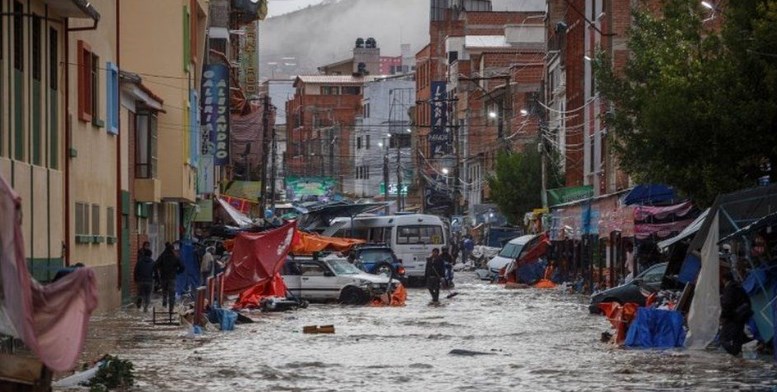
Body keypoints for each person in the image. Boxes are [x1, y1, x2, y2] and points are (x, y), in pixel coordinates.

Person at [719, 267, 752, 356]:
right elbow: (747, 301)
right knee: (738, 337)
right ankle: (738, 354)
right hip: (742, 316)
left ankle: (734, 353)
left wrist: (723, 316)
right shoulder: (738, 287)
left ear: (724, 279)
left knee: (723, 339)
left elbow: (727, 304)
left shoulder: (729, 288)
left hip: (734, 317)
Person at [155, 242, 184, 312]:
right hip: (172, 278)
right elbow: (182, 267)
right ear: (172, 250)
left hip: (163, 278)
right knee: (172, 294)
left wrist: (160, 270)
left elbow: (156, 265)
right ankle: (171, 309)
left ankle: (164, 307)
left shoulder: (162, 256)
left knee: (164, 293)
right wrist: (177, 272)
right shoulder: (175, 257)